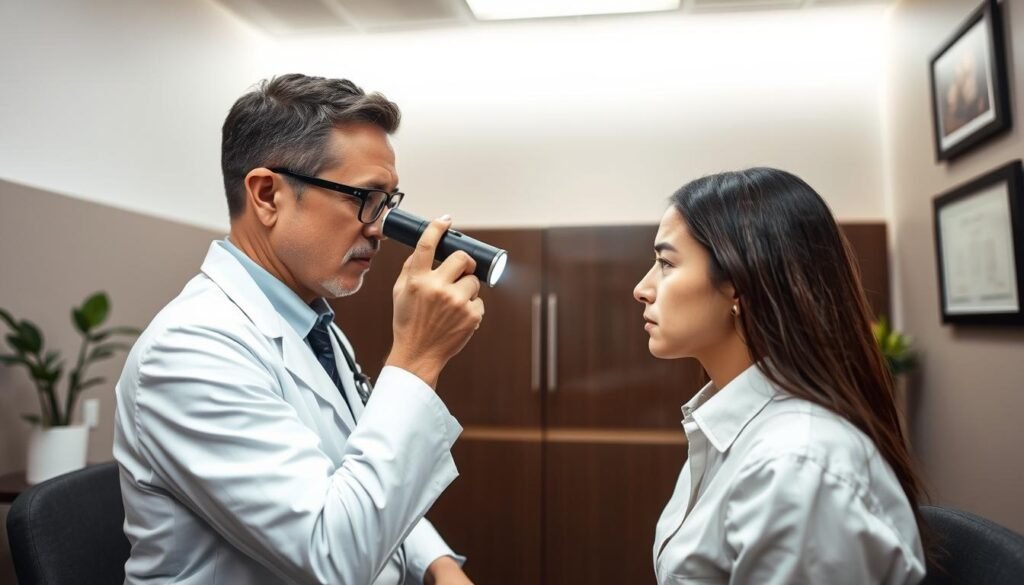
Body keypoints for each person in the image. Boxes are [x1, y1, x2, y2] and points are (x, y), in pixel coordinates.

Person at [113, 74, 483, 585]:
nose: (378, 227)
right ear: (267, 195)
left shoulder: (312, 324)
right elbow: (332, 557)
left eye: (388, 202)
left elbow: (358, 471)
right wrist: (417, 359)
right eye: (364, 197)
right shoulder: (191, 351)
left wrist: (435, 563)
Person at [633, 168, 928, 584]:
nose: (642, 288)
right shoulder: (728, 431)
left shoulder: (796, 465)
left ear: (737, 283)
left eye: (665, 263)